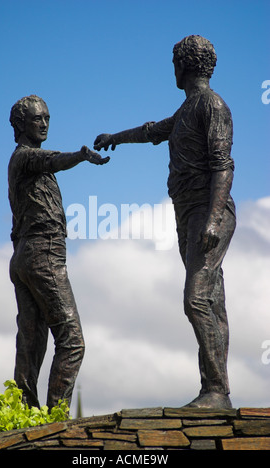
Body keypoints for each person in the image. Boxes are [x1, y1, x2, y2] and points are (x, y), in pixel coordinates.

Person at [94, 35, 236, 409]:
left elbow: (223, 167)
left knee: (196, 300)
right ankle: (216, 388)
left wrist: (212, 220)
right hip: (188, 213)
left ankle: (216, 391)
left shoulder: (212, 105)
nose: (172, 69)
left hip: (208, 212)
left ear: (185, 65)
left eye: (174, 62)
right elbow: (152, 131)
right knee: (212, 301)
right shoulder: (187, 109)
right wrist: (115, 139)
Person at [8, 94, 109, 410]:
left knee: (31, 341)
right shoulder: (26, 157)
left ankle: (25, 412)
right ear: (21, 124)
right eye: (37, 118)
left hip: (24, 256)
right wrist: (79, 156)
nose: (44, 123)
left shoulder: (24, 162)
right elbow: (52, 160)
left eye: (47, 118)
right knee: (72, 341)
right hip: (43, 254)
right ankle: (56, 422)